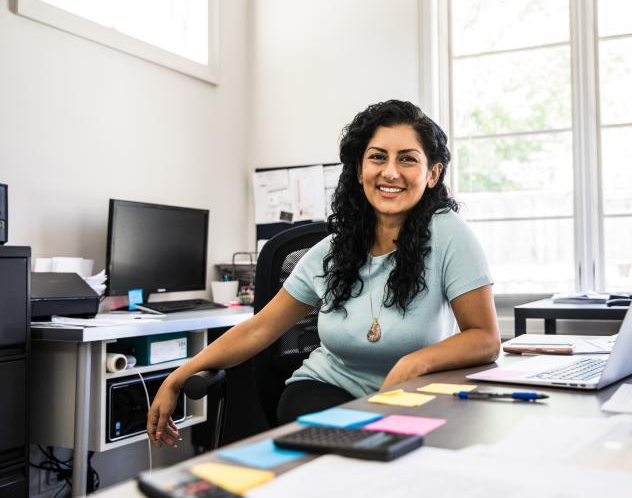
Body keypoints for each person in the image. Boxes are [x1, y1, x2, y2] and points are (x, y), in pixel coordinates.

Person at [147, 100, 500, 448]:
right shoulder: (333, 250)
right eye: (377, 157)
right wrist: (178, 376)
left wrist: (415, 362)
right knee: (356, 453)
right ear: (360, 170)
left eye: (407, 158)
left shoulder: (449, 236)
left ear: (432, 173)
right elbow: (258, 330)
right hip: (324, 391)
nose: (390, 172)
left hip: (413, 396)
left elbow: (484, 338)